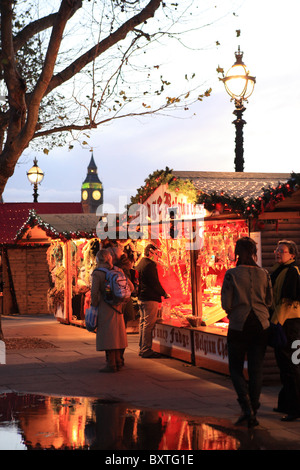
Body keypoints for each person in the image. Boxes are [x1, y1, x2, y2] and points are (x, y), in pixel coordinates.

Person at [221, 237, 272, 427]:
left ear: (237, 252)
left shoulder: (232, 274)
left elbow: (226, 303)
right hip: (260, 325)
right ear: (254, 252)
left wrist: (233, 311)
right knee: (256, 368)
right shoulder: (264, 273)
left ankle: (246, 406)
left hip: (239, 325)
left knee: (235, 367)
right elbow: (269, 301)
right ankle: (254, 408)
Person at [269, 239, 300, 421]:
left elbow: (289, 301)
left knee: (292, 367)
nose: (278, 252)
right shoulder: (279, 271)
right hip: (282, 324)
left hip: (291, 326)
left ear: (292, 255)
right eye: (277, 249)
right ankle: (286, 404)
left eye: (282, 250)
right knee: (284, 366)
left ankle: (295, 409)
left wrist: (276, 322)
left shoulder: (293, 272)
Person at [90, 249, 128, 373]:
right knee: (118, 336)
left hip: (105, 307)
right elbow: (130, 287)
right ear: (110, 258)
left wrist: (94, 305)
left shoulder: (97, 273)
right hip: (118, 308)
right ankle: (119, 361)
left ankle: (111, 363)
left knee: (108, 336)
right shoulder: (118, 271)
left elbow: (94, 293)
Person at [136, 243, 170, 358]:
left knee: (143, 323)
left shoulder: (140, 263)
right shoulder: (150, 265)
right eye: (156, 253)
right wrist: (164, 293)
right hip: (149, 298)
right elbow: (154, 282)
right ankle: (146, 349)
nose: (157, 256)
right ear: (151, 252)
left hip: (142, 297)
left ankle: (142, 347)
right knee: (148, 324)